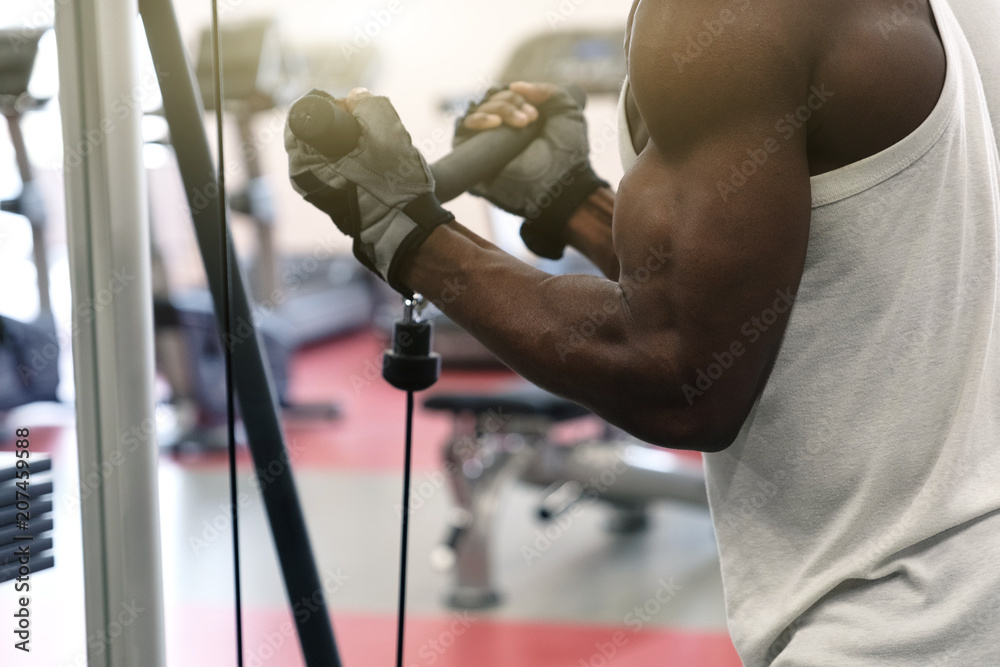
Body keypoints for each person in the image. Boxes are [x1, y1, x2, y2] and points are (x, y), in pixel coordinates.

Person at [286, 0, 1000, 663]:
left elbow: (680, 378)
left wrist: (406, 231)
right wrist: (573, 202)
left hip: (898, 626)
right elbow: (773, 288)